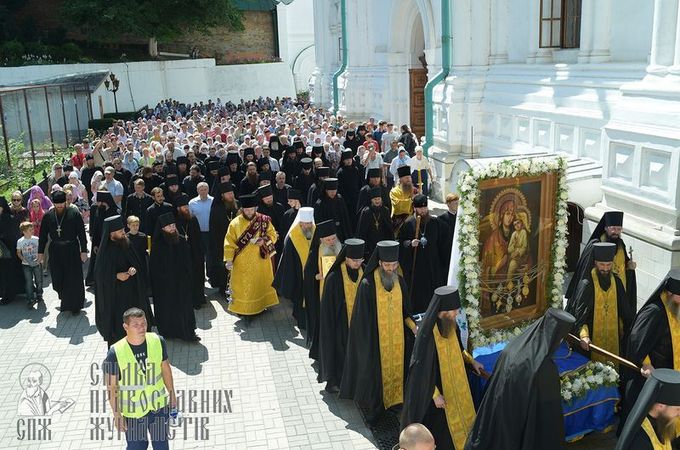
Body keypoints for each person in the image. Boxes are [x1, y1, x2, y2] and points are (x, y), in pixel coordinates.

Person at [464, 308, 576, 450]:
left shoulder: (516, 344)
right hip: (517, 428)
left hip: (497, 416)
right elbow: (549, 419)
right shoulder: (544, 368)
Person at [340, 240, 417, 421]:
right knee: (374, 376)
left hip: (397, 341)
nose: (390, 268)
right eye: (387, 265)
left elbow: (406, 311)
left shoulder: (399, 281)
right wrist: (368, 343)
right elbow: (361, 321)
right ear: (380, 263)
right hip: (375, 342)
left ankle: (396, 403)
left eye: (394, 265)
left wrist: (413, 327)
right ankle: (375, 408)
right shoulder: (367, 285)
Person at [402, 287, 483, 450]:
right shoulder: (427, 334)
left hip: (457, 389)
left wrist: (471, 361)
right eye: (453, 311)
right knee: (441, 432)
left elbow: (459, 349)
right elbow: (421, 370)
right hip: (436, 394)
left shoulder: (450, 324)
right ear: (441, 311)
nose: (456, 314)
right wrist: (435, 395)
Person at [103, 308, 176, 450]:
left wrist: (172, 393)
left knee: (162, 446)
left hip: (158, 407)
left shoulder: (157, 340)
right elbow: (112, 387)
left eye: (144, 323)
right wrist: (117, 414)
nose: (141, 328)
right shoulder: (115, 352)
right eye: (136, 325)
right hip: (133, 413)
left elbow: (165, 369)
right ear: (126, 327)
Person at [623, 270, 680, 430]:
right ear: (669, 293)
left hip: (669, 374)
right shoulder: (654, 311)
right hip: (651, 377)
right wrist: (646, 364)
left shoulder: (674, 308)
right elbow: (636, 340)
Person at [568, 242, 633, 362]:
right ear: (595, 263)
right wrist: (584, 335)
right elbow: (579, 316)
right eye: (602, 264)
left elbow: (625, 311)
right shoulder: (587, 285)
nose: (605, 269)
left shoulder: (617, 282)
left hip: (613, 338)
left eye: (609, 265)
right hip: (590, 339)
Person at [94, 216, 153, 347]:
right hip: (115, 299)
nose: (123, 232)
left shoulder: (126, 243)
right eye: (120, 230)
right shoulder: (105, 252)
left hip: (132, 293)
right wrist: (115, 276)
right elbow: (99, 277)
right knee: (119, 332)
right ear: (111, 233)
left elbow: (137, 263)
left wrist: (133, 269)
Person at [318, 238, 365, 392]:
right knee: (340, 353)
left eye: (360, 260)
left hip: (359, 323)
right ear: (346, 258)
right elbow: (328, 308)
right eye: (354, 260)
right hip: (340, 324)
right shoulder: (334, 277)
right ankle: (337, 382)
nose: (357, 264)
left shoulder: (365, 273)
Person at [566, 210, 637, 309]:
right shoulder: (595, 244)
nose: (616, 232)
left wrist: (630, 266)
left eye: (619, 229)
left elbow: (624, 264)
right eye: (613, 228)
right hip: (598, 291)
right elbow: (586, 270)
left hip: (619, 291)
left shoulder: (621, 244)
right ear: (606, 228)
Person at [223, 194, 279, 317]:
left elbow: (273, 234)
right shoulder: (234, 223)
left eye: (251, 209)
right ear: (242, 209)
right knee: (243, 288)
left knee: (260, 283)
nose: (249, 212)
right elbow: (228, 242)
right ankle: (243, 309)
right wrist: (228, 260)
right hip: (241, 263)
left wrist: (264, 240)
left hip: (260, 261)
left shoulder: (263, 220)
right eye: (246, 210)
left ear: (256, 208)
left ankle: (262, 305)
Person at [149, 213, 200, 342]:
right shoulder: (157, 244)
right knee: (168, 309)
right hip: (165, 285)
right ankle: (169, 332)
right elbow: (154, 268)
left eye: (173, 225)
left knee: (185, 308)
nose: (172, 228)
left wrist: (188, 277)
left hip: (182, 282)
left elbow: (188, 261)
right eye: (169, 227)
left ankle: (188, 333)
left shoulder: (181, 239)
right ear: (162, 229)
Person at [38, 191, 88, 315]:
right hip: (55, 250)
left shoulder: (74, 213)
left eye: (61, 203)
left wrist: (83, 250)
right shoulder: (48, 216)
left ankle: (75, 306)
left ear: (65, 201)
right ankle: (64, 299)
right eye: (57, 204)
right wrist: (40, 252)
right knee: (58, 277)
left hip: (71, 248)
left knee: (73, 278)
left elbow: (81, 233)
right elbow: (43, 235)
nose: (59, 206)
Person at [398, 194, 448, 314]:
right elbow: (400, 242)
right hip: (417, 267)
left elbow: (443, 242)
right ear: (414, 208)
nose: (423, 211)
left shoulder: (434, 222)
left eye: (425, 208)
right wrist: (409, 244)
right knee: (418, 294)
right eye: (420, 208)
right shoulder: (408, 223)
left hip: (432, 265)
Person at [303, 220, 342, 361]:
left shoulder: (340, 248)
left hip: (339, 295)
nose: (332, 242)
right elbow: (308, 275)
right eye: (328, 239)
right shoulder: (315, 252)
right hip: (321, 296)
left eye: (333, 238)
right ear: (321, 239)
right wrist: (316, 276)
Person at [616, 368, 680, 450]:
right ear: (660, 406)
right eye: (678, 409)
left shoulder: (665, 421)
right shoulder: (639, 441)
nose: (679, 414)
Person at [273, 207, 315, 330]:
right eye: (305, 224)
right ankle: (302, 321)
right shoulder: (293, 238)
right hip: (298, 274)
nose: (307, 226)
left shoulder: (316, 232)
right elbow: (288, 261)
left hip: (314, 275)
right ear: (300, 223)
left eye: (309, 224)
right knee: (300, 300)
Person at [208, 182, 240, 295]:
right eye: (228, 193)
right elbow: (213, 230)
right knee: (224, 268)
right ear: (222, 196)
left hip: (239, 242)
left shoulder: (237, 205)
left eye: (232, 193)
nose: (231, 195)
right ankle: (224, 289)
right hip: (222, 243)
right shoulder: (216, 209)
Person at [175, 196, 207, 309]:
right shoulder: (176, 222)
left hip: (195, 254)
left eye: (187, 206)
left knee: (198, 277)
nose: (186, 208)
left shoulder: (193, 219)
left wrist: (200, 253)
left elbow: (198, 238)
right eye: (184, 207)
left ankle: (199, 298)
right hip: (183, 256)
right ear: (178, 208)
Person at [86, 191, 118, 287]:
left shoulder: (116, 212)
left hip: (112, 244)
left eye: (100, 202)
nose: (98, 204)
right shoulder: (99, 211)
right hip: (100, 242)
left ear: (106, 201)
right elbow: (96, 228)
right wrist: (95, 244)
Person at [356, 187, 394, 258]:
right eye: (375, 199)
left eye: (379, 199)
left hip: (383, 242)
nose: (377, 201)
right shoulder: (366, 212)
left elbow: (389, 229)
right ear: (371, 200)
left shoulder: (385, 211)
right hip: (370, 244)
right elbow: (361, 231)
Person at [0, 197, 25, 305]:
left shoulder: (10, 219)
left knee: (8, 274)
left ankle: (9, 295)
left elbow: (14, 236)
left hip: (8, 253)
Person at [17, 222, 43, 308]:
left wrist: (40, 259)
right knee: (29, 282)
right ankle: (30, 299)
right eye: (30, 230)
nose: (32, 231)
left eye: (32, 229)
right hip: (26, 264)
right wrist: (22, 258)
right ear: (24, 231)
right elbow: (18, 252)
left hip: (36, 263)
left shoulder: (36, 239)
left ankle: (39, 294)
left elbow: (40, 250)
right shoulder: (20, 241)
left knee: (38, 280)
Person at [188, 181, 213, 269]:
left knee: (210, 254)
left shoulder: (213, 201)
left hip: (211, 232)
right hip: (198, 233)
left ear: (208, 190)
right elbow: (190, 218)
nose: (203, 191)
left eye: (205, 189)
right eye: (201, 190)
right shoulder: (192, 203)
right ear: (197, 190)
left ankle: (210, 273)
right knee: (199, 254)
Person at [336, 150, 362, 227]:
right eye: (347, 160)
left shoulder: (356, 169)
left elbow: (359, 182)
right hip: (345, 198)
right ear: (343, 161)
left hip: (356, 197)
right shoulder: (340, 172)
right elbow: (339, 187)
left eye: (350, 159)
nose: (348, 161)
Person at [438, 193, 459, 275]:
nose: (457, 205)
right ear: (448, 204)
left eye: (458, 203)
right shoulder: (441, 219)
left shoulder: (460, 218)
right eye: (455, 203)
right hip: (446, 251)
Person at [391, 165, 415, 235]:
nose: (409, 179)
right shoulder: (394, 191)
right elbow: (397, 205)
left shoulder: (414, 190)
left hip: (413, 220)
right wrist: (411, 200)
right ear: (400, 179)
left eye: (409, 177)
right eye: (406, 177)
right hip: (399, 221)